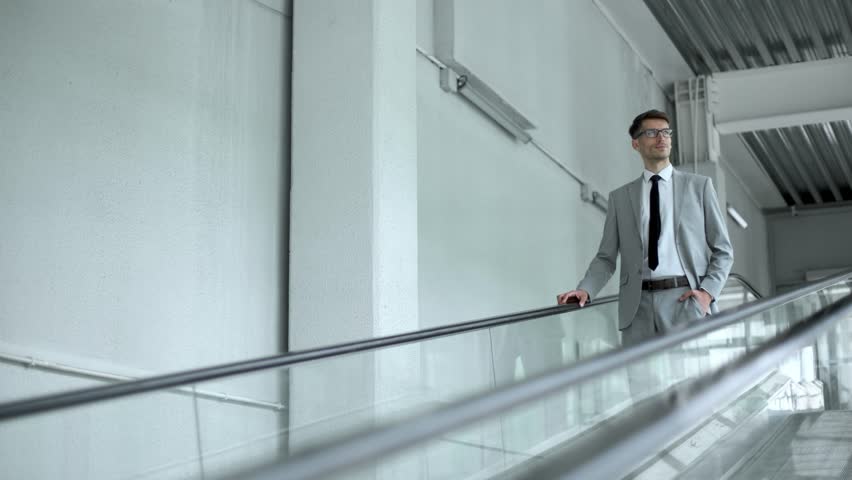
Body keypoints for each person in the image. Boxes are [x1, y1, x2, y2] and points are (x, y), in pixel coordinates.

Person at [556, 109, 733, 348]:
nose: (661, 138)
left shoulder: (699, 187)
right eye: (651, 133)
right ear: (636, 144)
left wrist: (707, 293)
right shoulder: (620, 198)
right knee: (642, 382)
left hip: (685, 299)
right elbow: (606, 257)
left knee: (694, 381)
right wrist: (585, 290)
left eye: (666, 132)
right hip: (637, 305)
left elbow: (723, 250)